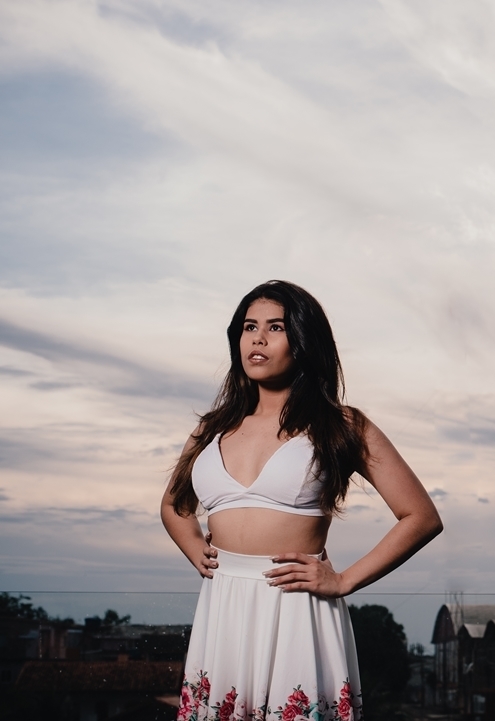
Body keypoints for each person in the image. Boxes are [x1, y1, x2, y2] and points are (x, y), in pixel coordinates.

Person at [161, 281, 443, 721]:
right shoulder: (211, 428)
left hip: (296, 605)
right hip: (224, 606)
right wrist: (195, 548)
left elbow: (421, 516)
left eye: (275, 327)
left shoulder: (342, 425)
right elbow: (175, 506)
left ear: (304, 341)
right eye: (249, 327)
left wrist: (344, 580)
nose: (258, 339)